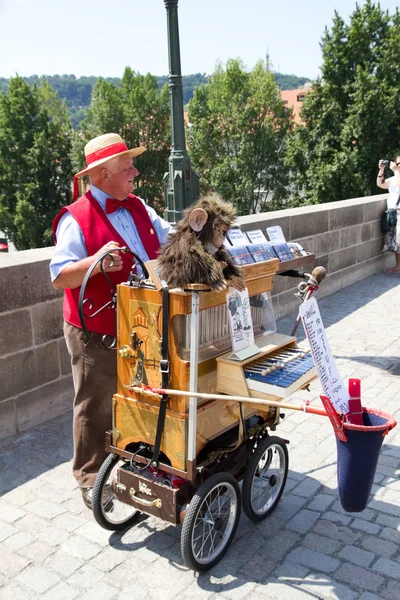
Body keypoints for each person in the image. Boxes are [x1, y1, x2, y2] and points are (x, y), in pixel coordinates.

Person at [50, 133, 173, 509]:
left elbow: (170, 242)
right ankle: (90, 478)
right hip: (95, 329)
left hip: (143, 322)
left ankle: (137, 457)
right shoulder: (77, 218)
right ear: (102, 175)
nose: (135, 171)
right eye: (127, 167)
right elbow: (59, 276)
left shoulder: (138, 206)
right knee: (95, 402)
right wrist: (95, 263)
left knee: (144, 393)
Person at [377, 155, 400, 272]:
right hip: (393, 212)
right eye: (398, 163)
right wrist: (381, 170)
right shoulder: (393, 178)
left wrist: (396, 171)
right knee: (395, 241)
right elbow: (380, 184)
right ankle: (398, 266)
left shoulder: (397, 176)